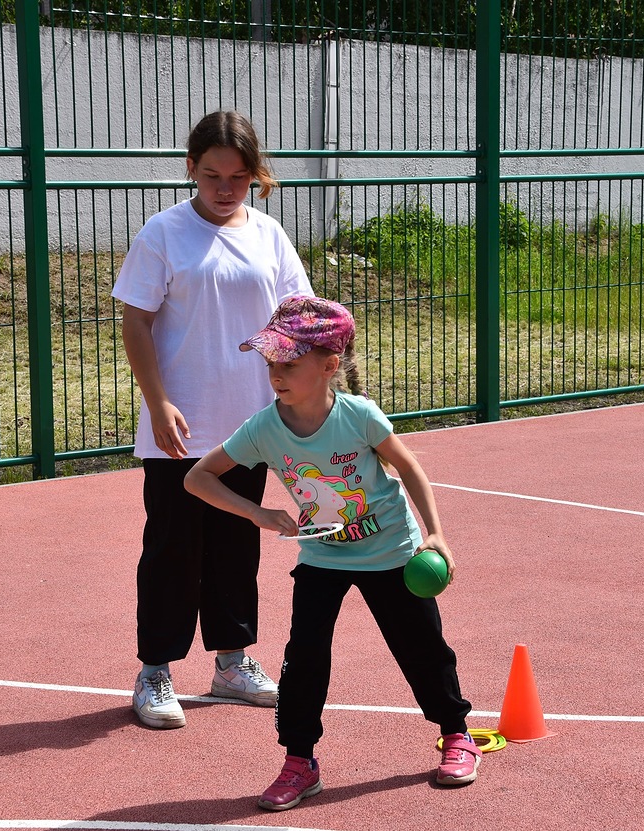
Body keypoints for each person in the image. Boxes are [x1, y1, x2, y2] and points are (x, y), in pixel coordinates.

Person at [184, 296, 481, 809]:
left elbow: (409, 469)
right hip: (323, 555)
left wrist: (435, 535)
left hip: (391, 550)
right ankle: (300, 760)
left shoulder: (359, 416)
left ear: (329, 366)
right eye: (271, 362)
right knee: (303, 660)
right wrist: (257, 514)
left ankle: (455, 734)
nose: (276, 374)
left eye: (290, 364)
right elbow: (197, 478)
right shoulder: (263, 428)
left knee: (421, 647)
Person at [111, 111, 313, 729]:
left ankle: (231, 660)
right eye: (211, 175)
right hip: (181, 422)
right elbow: (135, 321)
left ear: (256, 176)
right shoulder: (163, 234)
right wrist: (158, 399)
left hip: (248, 422)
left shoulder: (269, 235)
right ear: (191, 170)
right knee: (172, 547)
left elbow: (296, 315)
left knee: (235, 543)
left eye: (239, 177)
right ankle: (156, 671)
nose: (225, 188)